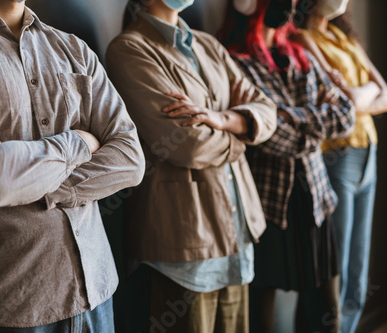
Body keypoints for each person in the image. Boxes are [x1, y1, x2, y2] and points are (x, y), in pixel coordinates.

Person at [0, 0, 145, 332]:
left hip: (98, 294)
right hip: (11, 309)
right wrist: (81, 141)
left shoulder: (73, 48)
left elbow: (130, 159)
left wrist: (21, 174)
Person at [106, 0, 277, 331]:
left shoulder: (207, 43)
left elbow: (267, 109)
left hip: (237, 231)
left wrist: (223, 118)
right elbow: (188, 145)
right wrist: (241, 131)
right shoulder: (129, 49)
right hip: (184, 240)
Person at [219, 0, 355, 331]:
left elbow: (347, 114)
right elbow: (270, 135)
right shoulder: (235, 63)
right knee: (261, 312)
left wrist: (285, 118)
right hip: (268, 205)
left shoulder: (299, 53)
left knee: (326, 312)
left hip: (316, 198)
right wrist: (315, 116)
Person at [293, 0, 387, 331]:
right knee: (337, 266)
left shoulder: (345, 39)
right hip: (337, 158)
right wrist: (365, 93)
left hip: (368, 153)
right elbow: (351, 100)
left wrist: (359, 93)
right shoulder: (303, 38)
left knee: (359, 269)